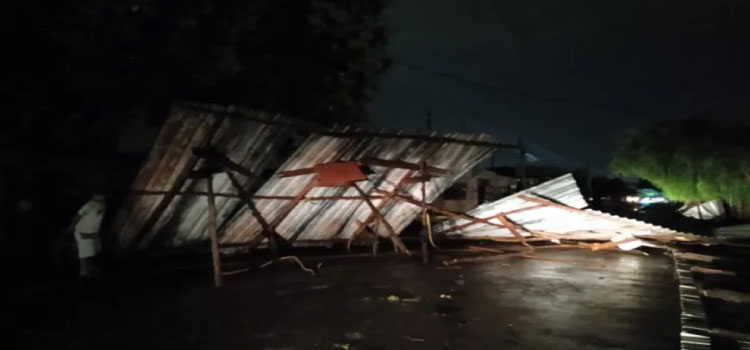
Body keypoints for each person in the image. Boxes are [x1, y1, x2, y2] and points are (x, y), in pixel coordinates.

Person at [69, 194, 106, 277]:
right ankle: (84, 277)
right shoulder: (90, 205)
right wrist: (71, 228)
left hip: (92, 234)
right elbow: (77, 217)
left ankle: (89, 271)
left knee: (92, 256)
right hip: (83, 233)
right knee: (85, 261)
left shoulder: (102, 205)